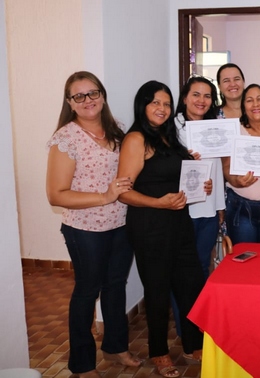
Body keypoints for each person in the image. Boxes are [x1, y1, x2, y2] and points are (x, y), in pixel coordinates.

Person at [46, 71, 141, 377]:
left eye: (93, 93)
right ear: (70, 102)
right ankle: (82, 363)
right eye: (79, 95)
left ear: (102, 95)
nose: (88, 100)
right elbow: (56, 194)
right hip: (84, 230)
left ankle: (115, 347)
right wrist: (104, 197)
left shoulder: (117, 130)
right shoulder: (66, 139)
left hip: (121, 224)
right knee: (87, 291)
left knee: (115, 286)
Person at [117, 81, 204, 378]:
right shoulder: (136, 139)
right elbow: (123, 192)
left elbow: (175, 182)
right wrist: (158, 203)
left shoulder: (170, 138)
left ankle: (193, 344)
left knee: (191, 285)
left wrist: (198, 184)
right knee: (157, 291)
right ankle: (159, 351)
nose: (162, 108)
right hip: (150, 226)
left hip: (179, 223)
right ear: (142, 105)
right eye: (155, 102)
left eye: (166, 104)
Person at [175, 76, 225, 277]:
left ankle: (200, 300)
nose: (201, 101)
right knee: (181, 268)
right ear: (185, 98)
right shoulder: (172, 127)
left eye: (207, 96)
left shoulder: (215, 128)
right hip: (182, 210)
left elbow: (217, 168)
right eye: (196, 94)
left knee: (202, 265)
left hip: (209, 210)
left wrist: (220, 206)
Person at [221, 84, 260, 244]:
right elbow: (226, 166)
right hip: (240, 207)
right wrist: (235, 180)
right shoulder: (236, 132)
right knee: (244, 256)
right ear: (243, 106)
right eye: (249, 100)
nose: (255, 104)